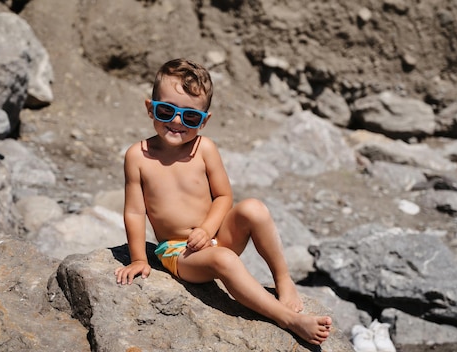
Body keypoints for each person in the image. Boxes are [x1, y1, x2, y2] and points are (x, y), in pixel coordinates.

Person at [114, 58, 332, 345]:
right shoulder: (138, 156)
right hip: (179, 253)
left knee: (254, 208)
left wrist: (208, 229)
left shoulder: (205, 149)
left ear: (204, 121)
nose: (177, 121)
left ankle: (283, 280)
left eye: (190, 117)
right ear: (149, 108)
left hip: (215, 237)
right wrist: (140, 259)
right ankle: (288, 319)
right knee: (224, 259)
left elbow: (224, 196)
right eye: (166, 111)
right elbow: (134, 211)